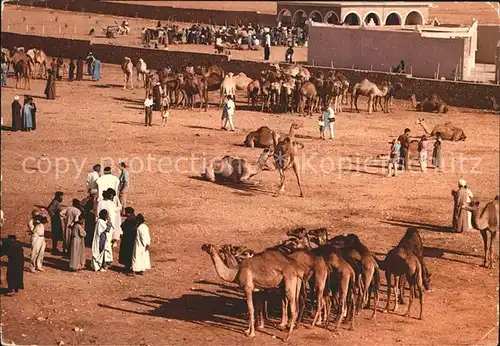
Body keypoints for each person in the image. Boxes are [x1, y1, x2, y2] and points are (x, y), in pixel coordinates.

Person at [119, 207, 137, 272]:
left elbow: (122, 226)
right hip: (132, 238)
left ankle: (128, 266)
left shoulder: (129, 220)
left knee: (127, 252)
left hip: (127, 238)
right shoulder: (135, 219)